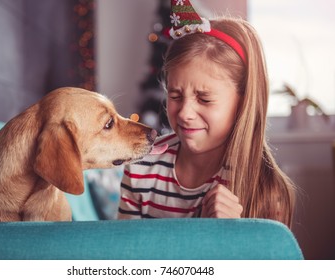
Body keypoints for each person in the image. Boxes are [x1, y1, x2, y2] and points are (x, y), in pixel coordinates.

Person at [118, 0, 296, 228]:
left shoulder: (266, 190)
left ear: (242, 103)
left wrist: (234, 235)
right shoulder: (139, 169)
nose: (185, 112)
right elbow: (125, 258)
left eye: (204, 99)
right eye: (175, 96)